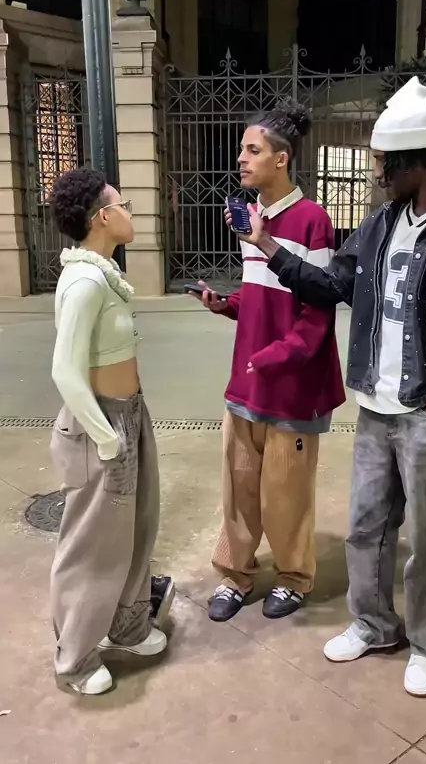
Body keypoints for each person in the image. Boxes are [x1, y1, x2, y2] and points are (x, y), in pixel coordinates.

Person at [229, 76, 426, 697]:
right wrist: (269, 248)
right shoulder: (381, 222)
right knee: (367, 527)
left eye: (386, 162)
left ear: (419, 160)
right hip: (375, 404)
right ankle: (373, 624)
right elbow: (332, 284)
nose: (378, 172)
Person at [193, 99, 345, 623]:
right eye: (242, 149)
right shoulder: (252, 219)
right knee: (238, 487)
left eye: (252, 150)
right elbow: (262, 296)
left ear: (281, 159)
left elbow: (317, 312)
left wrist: (276, 357)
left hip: (292, 387)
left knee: (285, 492)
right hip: (248, 381)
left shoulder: (313, 221)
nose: (241, 158)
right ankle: (235, 574)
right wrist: (227, 304)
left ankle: (293, 576)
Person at [49, 167, 174, 695]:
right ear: (102, 217)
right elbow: (65, 371)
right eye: (123, 204)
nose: (129, 212)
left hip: (128, 413)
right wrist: (104, 437)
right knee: (92, 545)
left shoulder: (102, 276)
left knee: (137, 526)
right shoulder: (83, 282)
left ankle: (128, 626)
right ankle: (75, 658)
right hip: (99, 423)